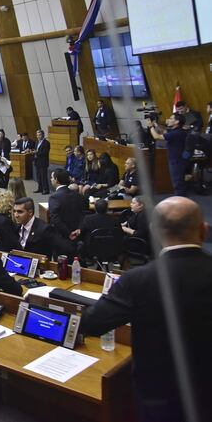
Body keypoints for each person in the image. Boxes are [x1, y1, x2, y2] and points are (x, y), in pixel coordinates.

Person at [81, 197, 212, 422]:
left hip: (160, 396)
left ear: (155, 232)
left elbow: (91, 324)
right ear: (204, 230)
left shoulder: (138, 280)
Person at [149, 113, 189, 196]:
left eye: (171, 118)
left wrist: (150, 127)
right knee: (178, 183)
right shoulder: (177, 131)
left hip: (177, 161)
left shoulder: (177, 133)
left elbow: (157, 137)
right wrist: (156, 123)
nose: (168, 120)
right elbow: (164, 131)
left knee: (178, 184)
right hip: (177, 160)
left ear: (177, 121)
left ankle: (181, 204)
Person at [48, 169, 86, 246]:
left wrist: (69, 233)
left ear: (56, 180)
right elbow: (84, 214)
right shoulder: (78, 195)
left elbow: (55, 219)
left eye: (52, 177)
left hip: (62, 238)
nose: (51, 179)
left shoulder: (54, 197)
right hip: (79, 235)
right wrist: (79, 229)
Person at [31, 129, 50, 194]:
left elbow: (45, 152)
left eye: (39, 135)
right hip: (37, 161)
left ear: (43, 135)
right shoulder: (36, 142)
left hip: (43, 162)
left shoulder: (46, 143)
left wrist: (36, 152)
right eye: (37, 135)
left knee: (43, 176)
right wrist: (33, 152)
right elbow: (36, 150)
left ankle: (46, 189)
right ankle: (40, 188)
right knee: (38, 176)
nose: (38, 136)